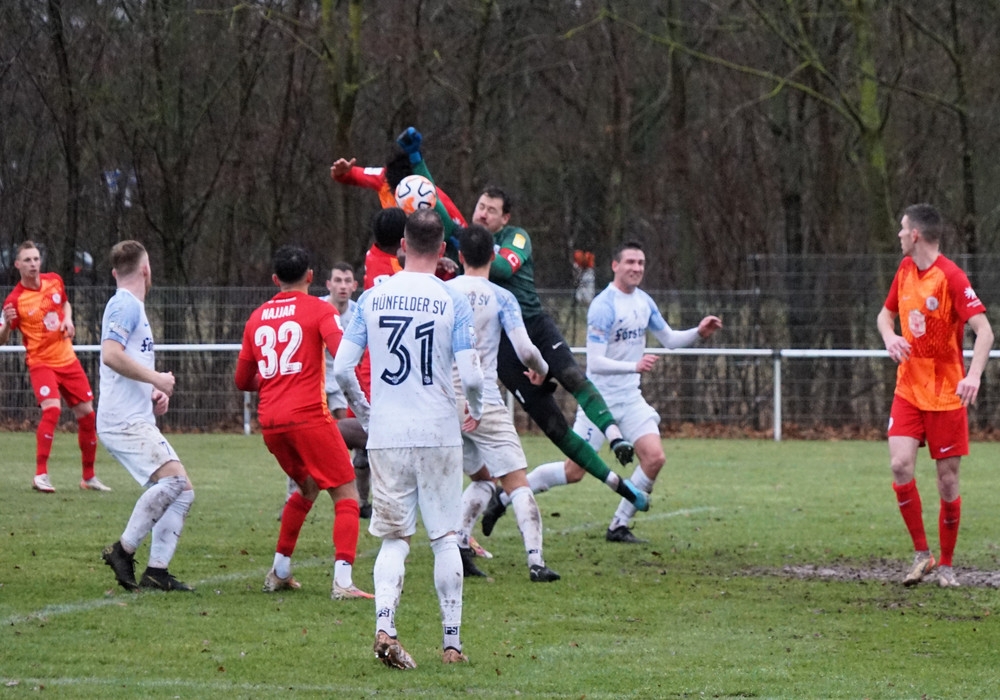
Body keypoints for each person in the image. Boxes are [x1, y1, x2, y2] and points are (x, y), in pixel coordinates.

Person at [483, 241, 722, 543]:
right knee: (573, 472)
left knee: (654, 458)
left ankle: (618, 525)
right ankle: (504, 497)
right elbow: (595, 363)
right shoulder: (603, 306)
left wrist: (698, 332)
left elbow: (670, 339)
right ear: (615, 266)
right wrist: (634, 366)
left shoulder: (644, 302)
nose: (636, 268)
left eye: (641, 263)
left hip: (631, 400)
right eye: (630, 262)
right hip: (599, 402)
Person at [334, 208, 484, 669]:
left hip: (388, 432)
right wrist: (475, 409)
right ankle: (452, 644)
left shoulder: (371, 298)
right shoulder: (451, 298)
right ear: (442, 250)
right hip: (438, 430)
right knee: (444, 538)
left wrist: (366, 413)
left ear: (402, 245)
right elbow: (472, 376)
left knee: (394, 539)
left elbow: (342, 368)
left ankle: (386, 625)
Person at [472, 186, 648, 511]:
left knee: (573, 376)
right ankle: (620, 486)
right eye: (480, 206)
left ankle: (615, 437)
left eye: (491, 210)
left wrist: (471, 249)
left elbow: (502, 269)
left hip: (535, 329)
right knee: (552, 425)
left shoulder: (515, 238)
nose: (482, 213)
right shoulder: (463, 255)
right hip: (502, 350)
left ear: (505, 218)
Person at [235, 245, 372, 600]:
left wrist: (275, 382)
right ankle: (343, 582)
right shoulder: (321, 309)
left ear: (275, 279)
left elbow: (242, 380)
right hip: (308, 416)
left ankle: (279, 571)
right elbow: (343, 355)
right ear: (311, 276)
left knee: (307, 487)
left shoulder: (257, 317)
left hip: (271, 422)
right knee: (347, 493)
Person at [877, 204, 993, 589]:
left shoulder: (952, 277)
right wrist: (890, 337)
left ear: (915, 235)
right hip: (908, 388)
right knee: (899, 465)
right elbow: (884, 315)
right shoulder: (904, 270)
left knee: (947, 481)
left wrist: (973, 375)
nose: (898, 234)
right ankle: (921, 554)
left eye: (902, 228)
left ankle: (946, 566)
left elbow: (985, 331)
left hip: (945, 395)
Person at [447, 225, 559, 582]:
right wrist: (542, 370)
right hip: (483, 400)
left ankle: (459, 548)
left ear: (460, 256)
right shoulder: (502, 297)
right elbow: (526, 350)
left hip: (443, 401)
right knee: (517, 482)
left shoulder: (443, 292)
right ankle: (536, 562)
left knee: (482, 479)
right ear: (493, 257)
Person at [98, 240, 195, 592]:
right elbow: (110, 354)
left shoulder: (131, 306)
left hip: (132, 415)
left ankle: (157, 572)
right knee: (174, 482)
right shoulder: (125, 304)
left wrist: (150, 393)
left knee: (183, 491)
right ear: (145, 269)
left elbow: (124, 361)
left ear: (115, 272)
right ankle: (122, 551)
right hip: (121, 420)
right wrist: (156, 378)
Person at [1, 241, 110, 493]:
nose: (33, 264)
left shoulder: (54, 281)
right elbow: (2, 338)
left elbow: (65, 303)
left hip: (68, 360)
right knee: (52, 410)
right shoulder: (14, 300)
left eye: (36, 259)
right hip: (41, 363)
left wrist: (68, 320)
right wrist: (6, 325)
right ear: (17, 265)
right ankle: (40, 475)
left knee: (88, 416)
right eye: (27, 260)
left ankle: (89, 477)